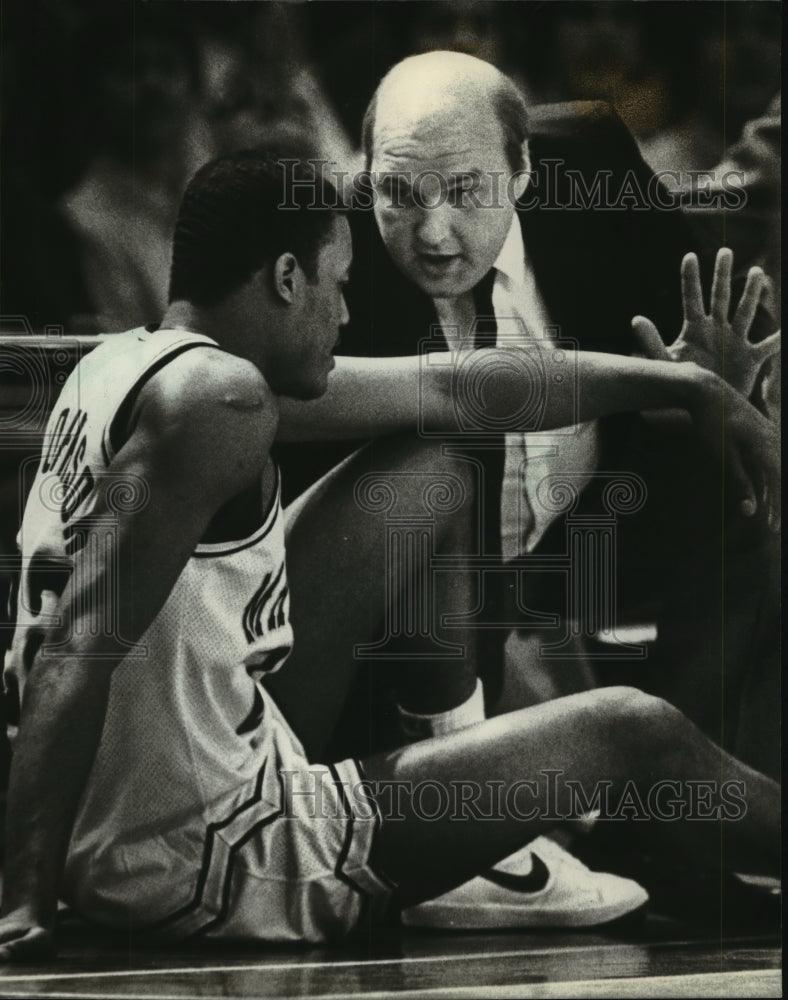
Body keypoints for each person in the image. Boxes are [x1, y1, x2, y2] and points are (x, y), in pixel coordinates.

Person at [0, 151, 779, 960]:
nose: (344, 313)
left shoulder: (127, 366)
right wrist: (24, 901)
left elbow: (453, 386)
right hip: (216, 855)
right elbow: (76, 645)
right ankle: (477, 849)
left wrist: (682, 386)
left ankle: (479, 855)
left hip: (128, 820)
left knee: (432, 470)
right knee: (635, 729)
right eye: (337, 284)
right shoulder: (219, 401)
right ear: (288, 278)